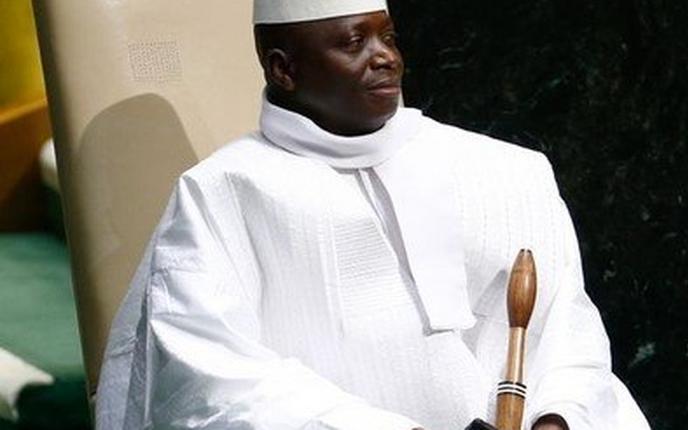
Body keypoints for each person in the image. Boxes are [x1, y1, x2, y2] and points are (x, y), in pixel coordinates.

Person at [96, 1, 651, 429]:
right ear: (283, 69)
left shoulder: (506, 170)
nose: (385, 56)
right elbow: (210, 382)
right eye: (354, 42)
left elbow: (566, 327)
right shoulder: (219, 196)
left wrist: (556, 417)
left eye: (387, 35)